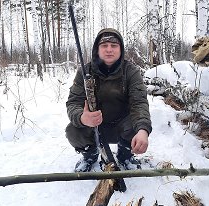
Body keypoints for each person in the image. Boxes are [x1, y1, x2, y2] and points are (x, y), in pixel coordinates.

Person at [65, 28, 152, 172]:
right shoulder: (84, 71)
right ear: (97, 49)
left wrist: (143, 130)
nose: (109, 49)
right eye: (104, 46)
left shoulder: (131, 71)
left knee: (136, 124)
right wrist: (82, 117)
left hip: (123, 127)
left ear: (121, 49)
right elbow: (73, 102)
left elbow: (139, 103)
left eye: (114, 45)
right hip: (94, 126)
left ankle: (125, 156)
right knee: (73, 130)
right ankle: (90, 156)